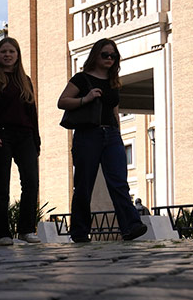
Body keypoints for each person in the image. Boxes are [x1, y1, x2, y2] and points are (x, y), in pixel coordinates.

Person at [57, 38, 148, 242]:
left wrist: (119, 132)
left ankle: (131, 226)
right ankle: (80, 232)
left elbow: (114, 109)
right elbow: (62, 102)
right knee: (84, 184)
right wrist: (85, 98)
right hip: (88, 135)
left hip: (112, 136)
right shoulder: (81, 79)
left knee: (118, 182)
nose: (109, 58)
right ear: (96, 55)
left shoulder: (113, 81)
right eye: (105, 55)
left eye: (113, 56)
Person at [0, 36, 42, 245]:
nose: (7, 55)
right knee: (1, 186)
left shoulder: (25, 80)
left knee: (31, 182)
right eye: (3, 52)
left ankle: (26, 229)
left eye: (11, 52)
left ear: (17, 55)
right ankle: (2, 233)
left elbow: (32, 112)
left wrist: (36, 139)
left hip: (25, 135)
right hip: (2, 135)